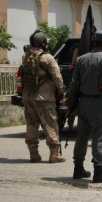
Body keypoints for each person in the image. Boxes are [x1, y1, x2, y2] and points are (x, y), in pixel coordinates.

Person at [68, 30, 102, 183]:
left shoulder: (81, 59)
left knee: (82, 136)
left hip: (83, 102)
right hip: (98, 102)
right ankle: (99, 171)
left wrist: (72, 105)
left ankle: (78, 168)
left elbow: (74, 83)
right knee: (100, 135)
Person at [22, 30, 66, 163]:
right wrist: (61, 90)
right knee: (50, 124)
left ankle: (34, 154)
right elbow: (57, 76)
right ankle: (54, 154)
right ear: (43, 42)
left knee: (31, 125)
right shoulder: (48, 58)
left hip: (29, 96)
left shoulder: (25, 56)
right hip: (45, 97)